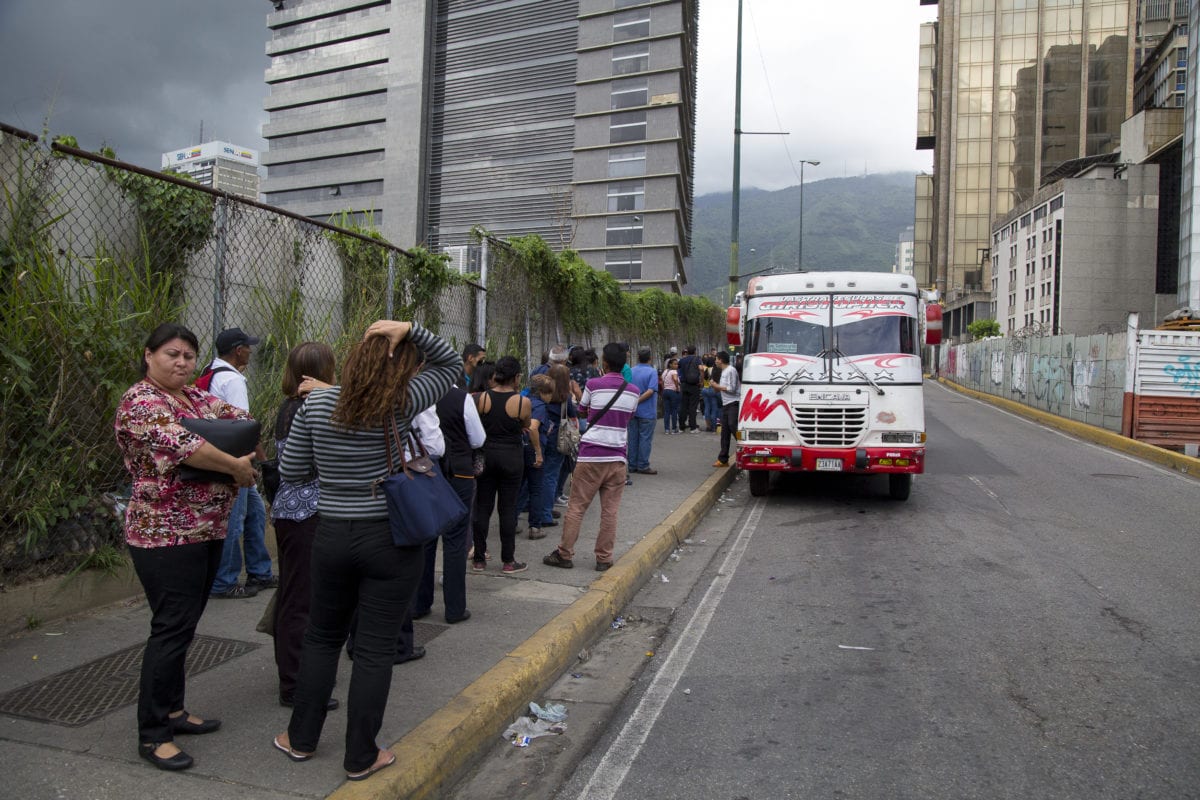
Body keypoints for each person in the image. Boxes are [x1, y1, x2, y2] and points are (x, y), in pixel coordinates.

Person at [271, 320, 460, 782]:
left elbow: (292, 469)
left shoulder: (315, 402)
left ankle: (300, 739)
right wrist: (411, 328)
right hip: (390, 539)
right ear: (403, 367)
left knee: (321, 637)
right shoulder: (401, 402)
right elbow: (451, 362)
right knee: (374, 650)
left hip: (332, 534)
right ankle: (361, 755)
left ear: (351, 359)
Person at [115, 322, 257, 771]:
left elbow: (242, 421)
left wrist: (223, 450)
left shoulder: (193, 398)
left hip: (207, 528)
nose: (180, 362)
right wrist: (235, 466)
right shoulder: (140, 402)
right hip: (163, 533)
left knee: (187, 622)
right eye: (171, 354)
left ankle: (174, 711)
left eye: (188, 356)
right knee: (172, 625)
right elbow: (188, 447)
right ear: (148, 355)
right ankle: (153, 733)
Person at [270, 342, 339, 711]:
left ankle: (294, 674)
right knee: (302, 601)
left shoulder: (291, 405)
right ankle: (295, 685)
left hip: (290, 511)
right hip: (306, 514)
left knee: (293, 595)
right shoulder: (313, 407)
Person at [543, 342, 639, 572]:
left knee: (576, 507)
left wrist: (577, 394)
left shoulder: (594, 385)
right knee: (610, 511)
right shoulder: (634, 392)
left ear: (604, 363)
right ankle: (604, 558)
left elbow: (583, 412)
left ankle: (564, 554)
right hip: (617, 459)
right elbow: (628, 418)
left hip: (591, 457)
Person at [207, 327, 276, 599]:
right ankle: (223, 582)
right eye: (248, 346)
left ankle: (260, 571)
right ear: (238, 350)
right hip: (234, 461)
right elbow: (243, 426)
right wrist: (262, 460)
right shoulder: (233, 381)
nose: (250, 350)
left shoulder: (210, 371)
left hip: (218, 454)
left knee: (257, 513)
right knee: (234, 521)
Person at [411, 377, 486, 623]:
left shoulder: (417, 394)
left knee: (427, 536)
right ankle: (454, 608)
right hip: (459, 471)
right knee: (455, 539)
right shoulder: (461, 398)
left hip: (425, 470)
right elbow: (477, 439)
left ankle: (420, 602)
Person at [471, 355, 534, 574]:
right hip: (511, 457)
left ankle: (479, 558)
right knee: (507, 509)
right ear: (516, 377)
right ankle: (508, 560)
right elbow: (526, 424)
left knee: (482, 508)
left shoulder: (482, 398)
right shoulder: (522, 402)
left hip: (487, 455)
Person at [529, 366, 576, 539]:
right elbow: (573, 414)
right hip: (557, 438)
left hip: (540, 436)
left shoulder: (539, 396)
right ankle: (545, 513)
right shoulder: (565, 397)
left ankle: (534, 507)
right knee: (550, 476)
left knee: (535, 475)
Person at [627, 347, 659, 474]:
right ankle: (643, 465)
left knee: (633, 438)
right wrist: (638, 400)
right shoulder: (652, 372)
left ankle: (632, 464)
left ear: (638, 358)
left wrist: (632, 402)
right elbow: (651, 390)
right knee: (645, 438)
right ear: (650, 358)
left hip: (632, 411)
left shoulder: (631, 370)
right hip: (648, 411)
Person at [713, 350, 741, 468]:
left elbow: (732, 388)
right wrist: (715, 387)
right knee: (725, 432)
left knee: (732, 425)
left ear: (721, 360)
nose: (715, 361)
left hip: (733, 403)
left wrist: (717, 386)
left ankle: (743, 443)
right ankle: (723, 459)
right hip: (725, 404)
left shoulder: (731, 370)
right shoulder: (723, 371)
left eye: (716, 358)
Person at [677, 345, 703, 433]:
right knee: (693, 406)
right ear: (695, 351)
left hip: (684, 385)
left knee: (683, 406)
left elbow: (678, 370)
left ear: (687, 352)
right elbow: (701, 369)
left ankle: (681, 426)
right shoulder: (697, 359)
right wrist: (701, 380)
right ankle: (693, 427)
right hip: (694, 385)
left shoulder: (682, 360)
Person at [660, 357, 681, 434]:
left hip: (665, 391)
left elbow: (662, 381)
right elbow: (675, 379)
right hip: (673, 392)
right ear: (670, 364)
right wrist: (677, 387)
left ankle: (666, 429)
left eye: (677, 364)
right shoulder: (674, 372)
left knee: (667, 411)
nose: (676, 365)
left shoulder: (665, 371)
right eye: (675, 364)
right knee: (674, 410)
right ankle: (674, 429)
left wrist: (664, 388)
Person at [701, 354, 721, 432]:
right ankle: (714, 426)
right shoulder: (715, 369)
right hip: (713, 389)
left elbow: (703, 379)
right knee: (714, 408)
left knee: (707, 408)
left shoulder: (706, 369)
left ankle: (708, 426)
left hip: (705, 389)